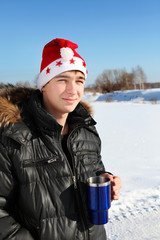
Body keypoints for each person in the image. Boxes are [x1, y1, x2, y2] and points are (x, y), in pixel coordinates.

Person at [0, 38, 121, 240]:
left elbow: (92, 170)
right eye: (62, 80)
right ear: (44, 85)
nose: (73, 90)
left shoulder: (85, 130)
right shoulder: (13, 136)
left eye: (79, 81)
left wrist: (106, 178)